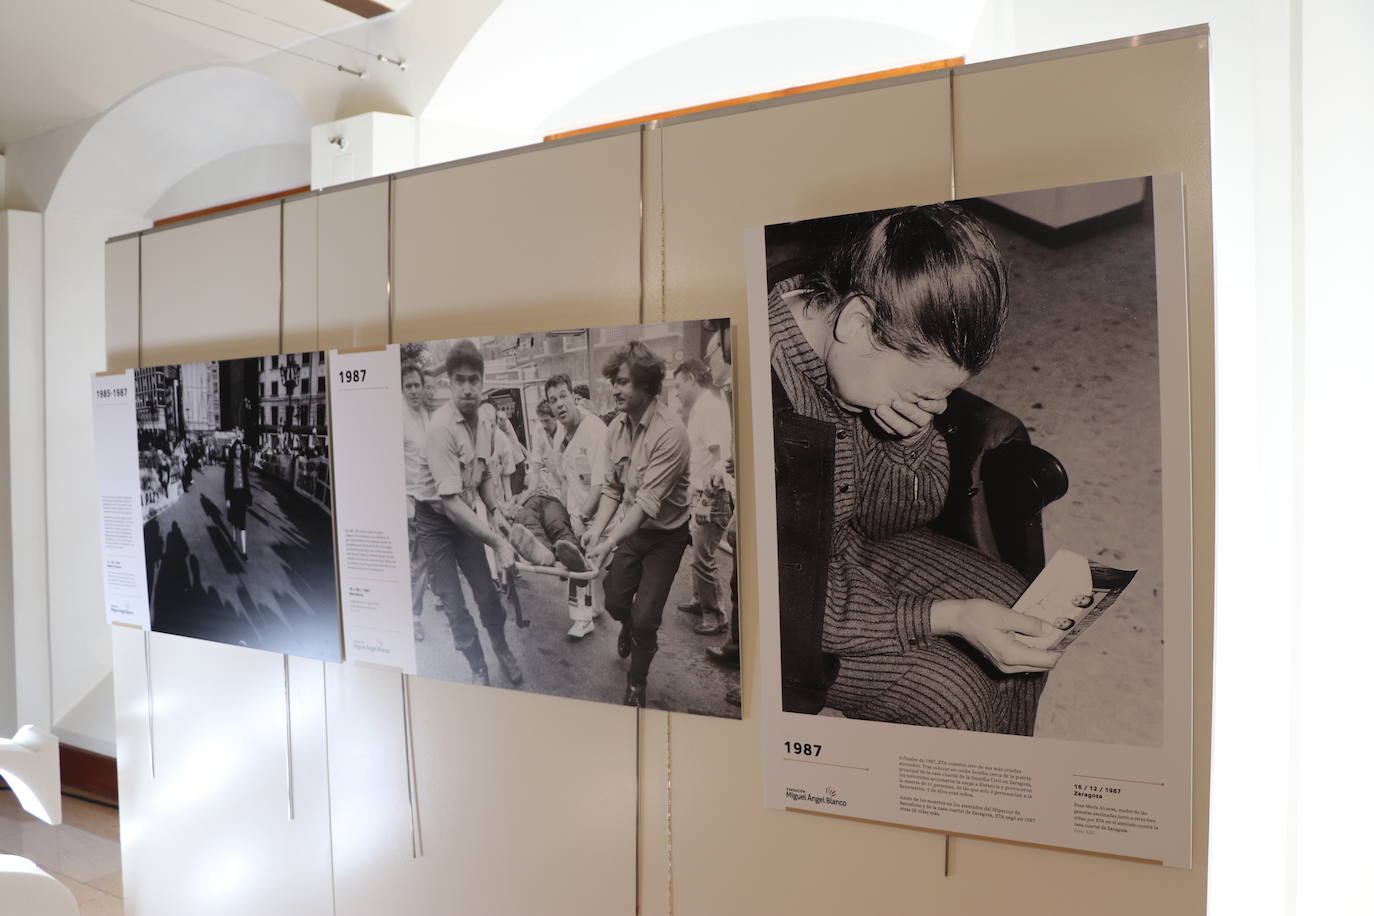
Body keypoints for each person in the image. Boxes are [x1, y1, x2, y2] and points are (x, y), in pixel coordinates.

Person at [769, 203, 1061, 734]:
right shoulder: (762, 402)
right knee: (956, 692)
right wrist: (948, 616)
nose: (940, 409)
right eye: (922, 392)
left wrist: (909, 439)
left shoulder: (851, 347)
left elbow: (891, 522)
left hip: (847, 550)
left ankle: (1008, 798)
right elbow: (795, 600)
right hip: (789, 615)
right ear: (858, 323)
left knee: (1025, 618)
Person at [584, 342, 691, 707]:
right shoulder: (615, 427)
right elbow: (614, 489)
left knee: (647, 618)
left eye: (624, 382)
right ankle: (628, 624)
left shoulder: (671, 432)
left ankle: (636, 682)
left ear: (648, 384)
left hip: (666, 536)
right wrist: (597, 532)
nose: (615, 389)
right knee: (615, 602)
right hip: (631, 530)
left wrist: (609, 541)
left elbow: (646, 503)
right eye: (614, 381)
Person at [411, 341, 523, 687]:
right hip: (436, 521)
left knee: (487, 595)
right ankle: (477, 665)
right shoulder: (441, 428)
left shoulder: (486, 422)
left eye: (474, 380)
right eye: (459, 380)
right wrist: (496, 542)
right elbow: (449, 503)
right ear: (448, 382)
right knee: (454, 605)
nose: (467, 389)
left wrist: (495, 509)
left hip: (464, 514)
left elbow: (484, 473)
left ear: (482, 380)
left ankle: (501, 647)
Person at [672, 358, 734, 636]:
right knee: (698, 552)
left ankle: (716, 615)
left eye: (678, 385)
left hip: (712, 493)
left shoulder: (708, 408)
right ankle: (700, 600)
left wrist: (707, 497)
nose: (677, 392)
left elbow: (718, 457)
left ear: (690, 379)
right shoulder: (701, 408)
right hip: (702, 493)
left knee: (703, 556)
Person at [546, 373, 607, 638]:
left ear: (574, 397)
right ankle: (584, 617)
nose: (559, 404)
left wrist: (583, 517)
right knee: (579, 569)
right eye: (552, 400)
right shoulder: (560, 436)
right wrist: (564, 516)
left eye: (562, 396)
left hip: (602, 518)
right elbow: (565, 480)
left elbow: (600, 484)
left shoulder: (594, 430)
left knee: (599, 572)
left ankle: (597, 610)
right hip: (577, 516)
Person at [401, 359, 433, 642]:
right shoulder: (398, 418)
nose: (413, 390)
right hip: (406, 501)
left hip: (426, 500)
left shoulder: (425, 415)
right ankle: (410, 617)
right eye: (408, 385)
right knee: (414, 563)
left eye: (417, 385)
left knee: (420, 562)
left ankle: (413, 615)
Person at [223, 433, 252, 560]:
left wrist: (248, 496)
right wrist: (227, 499)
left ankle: (244, 552)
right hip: (233, 495)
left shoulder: (244, 464)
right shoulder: (229, 464)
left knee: (243, 524)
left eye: (240, 449)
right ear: (234, 450)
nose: (238, 451)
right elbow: (226, 483)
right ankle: (234, 540)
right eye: (237, 449)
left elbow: (246, 482)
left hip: (242, 496)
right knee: (235, 521)